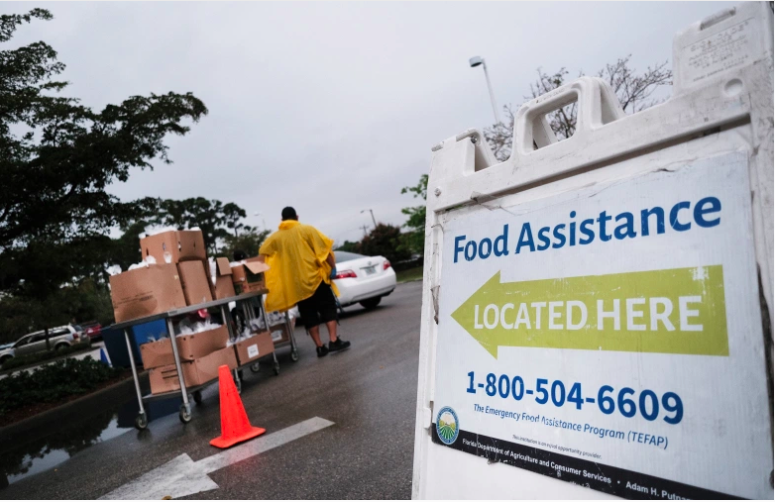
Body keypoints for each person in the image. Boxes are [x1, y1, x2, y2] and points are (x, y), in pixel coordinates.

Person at [258, 207, 350, 357]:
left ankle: (320, 347)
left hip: (297, 285)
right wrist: (333, 267)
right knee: (328, 308)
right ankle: (333, 340)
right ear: (297, 217)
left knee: (308, 314)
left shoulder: (275, 238)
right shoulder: (307, 230)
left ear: (282, 221)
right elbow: (323, 251)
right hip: (316, 279)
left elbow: (263, 254)